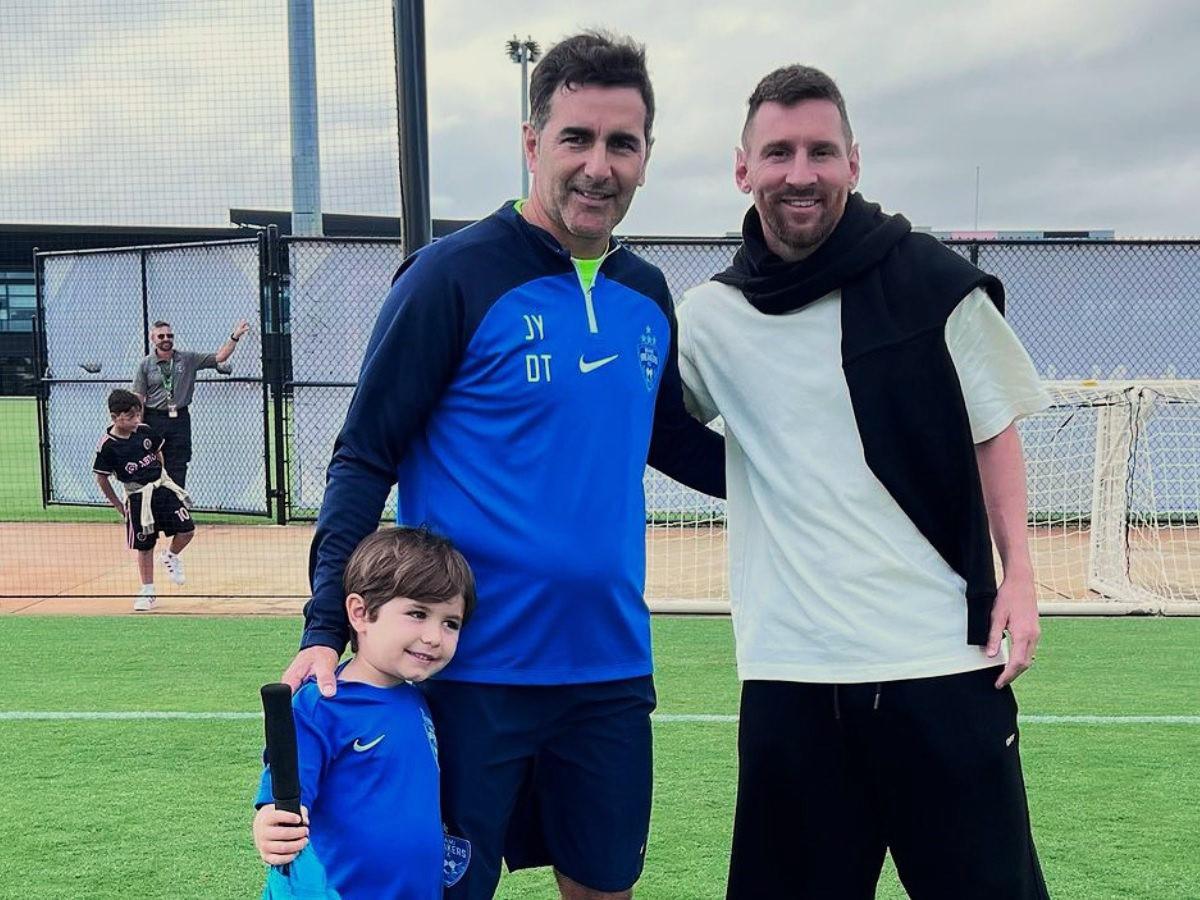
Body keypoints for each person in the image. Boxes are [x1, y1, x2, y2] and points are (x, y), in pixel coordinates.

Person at [264, 31, 723, 900]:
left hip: (609, 669)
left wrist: (804, 470)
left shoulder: (647, 294)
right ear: (531, 143)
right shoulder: (452, 277)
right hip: (465, 673)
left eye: (621, 143)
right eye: (576, 138)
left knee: (605, 887)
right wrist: (324, 625)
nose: (598, 166)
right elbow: (364, 455)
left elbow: (668, 437)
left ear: (646, 155)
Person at [675, 65, 1052, 899]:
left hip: (943, 665)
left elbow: (993, 426)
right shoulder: (707, 319)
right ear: (742, 168)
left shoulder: (934, 283)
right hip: (791, 678)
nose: (799, 173)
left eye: (821, 151)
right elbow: (657, 429)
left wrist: (1020, 573)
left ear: (854, 161)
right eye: (778, 152)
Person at [253, 526, 476, 899]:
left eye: (450, 623)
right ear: (360, 613)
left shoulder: (419, 700)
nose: (434, 637)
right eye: (417, 613)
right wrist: (269, 822)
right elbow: (284, 795)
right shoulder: (321, 704)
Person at [92, 389, 194, 610]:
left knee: (187, 529)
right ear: (114, 417)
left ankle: (171, 556)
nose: (136, 420)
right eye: (130, 417)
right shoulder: (107, 446)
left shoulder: (145, 431)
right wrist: (119, 505)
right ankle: (148, 591)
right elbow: (101, 478)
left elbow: (158, 452)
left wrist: (161, 476)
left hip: (161, 489)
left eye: (138, 414)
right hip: (138, 498)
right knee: (145, 545)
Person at [130, 317, 250, 488]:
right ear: (153, 339)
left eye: (169, 336)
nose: (166, 339)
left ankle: (177, 501)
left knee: (178, 462)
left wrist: (235, 336)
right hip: (155, 418)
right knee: (152, 461)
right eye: (161, 336)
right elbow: (138, 398)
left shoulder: (188, 359)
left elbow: (220, 357)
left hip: (179, 418)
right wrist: (138, 426)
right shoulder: (145, 364)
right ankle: (156, 501)